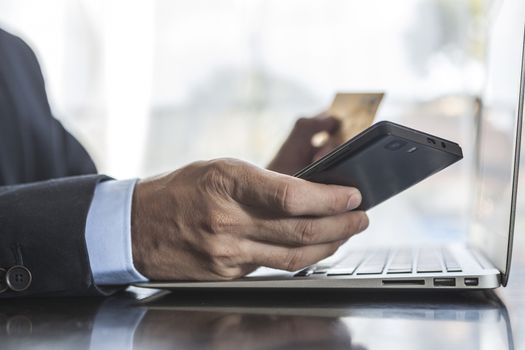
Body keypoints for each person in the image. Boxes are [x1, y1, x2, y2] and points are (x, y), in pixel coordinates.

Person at [0, 28, 368, 297]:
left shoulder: (12, 57)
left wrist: (255, 210)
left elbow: (72, 200)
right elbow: (113, 223)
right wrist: (134, 231)